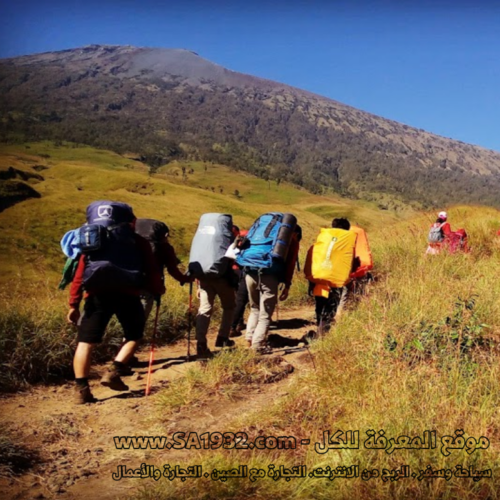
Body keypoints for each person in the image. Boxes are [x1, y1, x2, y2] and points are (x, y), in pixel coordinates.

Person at [67, 201, 163, 404]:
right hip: (127, 293)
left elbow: (79, 274)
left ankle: (81, 391)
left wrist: (73, 304)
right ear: (129, 221)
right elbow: (152, 270)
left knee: (85, 343)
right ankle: (114, 371)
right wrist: (156, 289)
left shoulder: (92, 239)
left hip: (96, 294)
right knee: (134, 336)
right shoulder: (138, 241)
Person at [245, 224, 301, 352]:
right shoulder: (289, 242)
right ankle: (257, 345)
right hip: (269, 276)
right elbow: (291, 265)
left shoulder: (265, 237)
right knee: (265, 314)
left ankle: (249, 339)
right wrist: (287, 285)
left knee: (255, 309)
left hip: (250, 273)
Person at [194, 224, 240, 359]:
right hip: (222, 279)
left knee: (205, 309)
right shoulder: (228, 239)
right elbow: (233, 258)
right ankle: (223, 337)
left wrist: (198, 284)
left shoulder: (205, 240)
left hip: (204, 278)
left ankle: (201, 343)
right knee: (229, 307)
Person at [309, 218, 358, 334]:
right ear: (347, 229)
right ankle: (323, 334)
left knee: (320, 305)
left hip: (319, 278)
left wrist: (310, 281)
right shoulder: (348, 242)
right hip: (336, 280)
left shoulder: (324, 239)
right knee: (331, 307)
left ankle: (320, 330)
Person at [229, 229, 249, 338]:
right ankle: (237, 324)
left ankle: (235, 325)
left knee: (237, 299)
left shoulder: (229, 239)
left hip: (230, 270)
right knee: (241, 299)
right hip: (242, 270)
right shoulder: (247, 234)